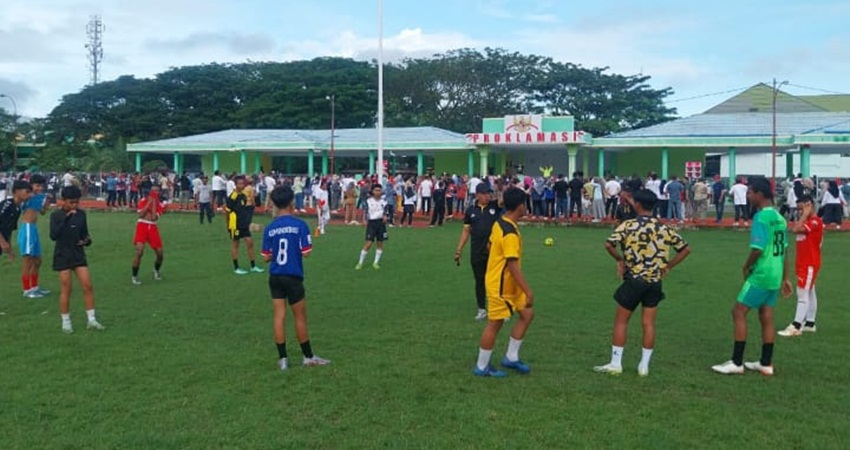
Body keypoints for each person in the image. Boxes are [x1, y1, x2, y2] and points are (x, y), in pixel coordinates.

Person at [594, 189, 691, 376]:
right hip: (655, 281)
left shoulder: (628, 225)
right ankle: (644, 366)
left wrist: (620, 260)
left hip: (635, 279)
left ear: (637, 204)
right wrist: (668, 265)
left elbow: (608, 244)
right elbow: (686, 249)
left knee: (621, 321)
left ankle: (616, 363)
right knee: (648, 324)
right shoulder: (663, 227)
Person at [712, 177, 793, 376]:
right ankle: (766, 363)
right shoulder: (779, 218)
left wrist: (746, 266)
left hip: (762, 273)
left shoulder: (761, 218)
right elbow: (784, 251)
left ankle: (737, 362)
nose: (748, 196)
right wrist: (785, 278)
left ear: (759, 194)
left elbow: (757, 249)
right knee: (766, 315)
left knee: (738, 312)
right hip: (775, 274)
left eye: (750, 192)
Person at [261, 186, 330, 371]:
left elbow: (266, 256)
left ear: (274, 203)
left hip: (275, 276)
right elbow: (306, 253)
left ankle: (283, 359)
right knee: (299, 317)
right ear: (292, 202)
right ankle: (308, 356)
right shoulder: (300, 225)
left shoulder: (270, 228)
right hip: (293, 276)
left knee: (279, 316)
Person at [473, 188, 534, 377]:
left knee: (527, 314)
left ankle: (511, 357)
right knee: (495, 324)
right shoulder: (509, 233)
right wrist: (528, 291)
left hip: (508, 283)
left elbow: (491, 245)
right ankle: (482, 367)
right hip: (501, 285)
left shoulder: (501, 222)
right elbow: (512, 264)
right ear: (521, 206)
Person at [50, 185, 105, 333]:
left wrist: (86, 241)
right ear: (63, 201)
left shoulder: (81, 214)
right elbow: (54, 235)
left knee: (87, 285)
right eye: (71, 202)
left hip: (78, 254)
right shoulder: (56, 216)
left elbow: (85, 235)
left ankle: (91, 319)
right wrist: (66, 220)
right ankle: (66, 322)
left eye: (76, 202)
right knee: (66, 288)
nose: (74, 205)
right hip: (62, 255)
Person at [777, 194, 823, 337]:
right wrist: (804, 215)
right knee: (810, 291)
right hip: (804, 261)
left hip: (809, 263)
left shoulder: (814, 222)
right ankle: (810, 323)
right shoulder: (808, 221)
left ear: (809, 205)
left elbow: (795, 230)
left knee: (802, 293)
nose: (799, 211)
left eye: (801, 208)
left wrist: (805, 215)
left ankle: (796, 325)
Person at [455, 183, 501, 321]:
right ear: (478, 195)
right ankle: (482, 309)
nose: (488, 196)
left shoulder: (494, 206)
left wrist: (503, 187)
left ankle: (498, 309)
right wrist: (459, 250)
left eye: (489, 193)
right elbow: (466, 231)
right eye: (486, 193)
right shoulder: (470, 211)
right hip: (477, 251)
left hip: (494, 251)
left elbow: (503, 201)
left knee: (496, 281)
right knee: (480, 281)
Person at [19, 174, 51, 298]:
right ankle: (27, 289)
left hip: (33, 229)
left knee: (38, 260)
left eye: (41, 186)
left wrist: (47, 202)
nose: (40, 188)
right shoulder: (26, 196)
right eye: (37, 186)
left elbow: (42, 212)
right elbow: (20, 199)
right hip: (27, 228)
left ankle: (35, 287)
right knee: (28, 260)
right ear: (31, 185)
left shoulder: (39, 197)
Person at [226, 175, 264, 275]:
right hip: (235, 225)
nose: (241, 185)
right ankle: (236, 267)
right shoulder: (232, 197)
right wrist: (228, 225)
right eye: (239, 184)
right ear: (235, 184)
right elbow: (227, 212)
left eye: (243, 183)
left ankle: (253, 266)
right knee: (236, 244)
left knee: (250, 243)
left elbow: (244, 209)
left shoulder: (243, 195)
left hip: (244, 224)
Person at [132, 185, 166, 285]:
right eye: (153, 191)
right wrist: (149, 202)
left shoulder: (161, 205)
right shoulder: (143, 200)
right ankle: (134, 276)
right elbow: (141, 214)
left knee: (160, 254)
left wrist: (154, 204)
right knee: (139, 251)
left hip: (152, 227)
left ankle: (156, 270)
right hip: (142, 225)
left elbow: (153, 218)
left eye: (156, 191)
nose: (154, 193)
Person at [355, 184, 388, 270]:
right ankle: (360, 263)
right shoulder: (368, 201)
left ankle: (376, 263)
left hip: (381, 224)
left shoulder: (384, 202)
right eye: (376, 190)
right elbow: (365, 211)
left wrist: (385, 216)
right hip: (372, 223)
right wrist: (364, 220)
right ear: (372, 191)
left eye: (379, 190)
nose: (378, 192)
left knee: (380, 243)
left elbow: (386, 212)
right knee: (368, 244)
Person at [0, 180, 32, 262]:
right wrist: (2, 242)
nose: (30, 195)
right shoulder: (7, 204)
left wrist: (10, 250)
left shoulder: (17, 209)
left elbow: (9, 230)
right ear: (17, 191)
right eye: (27, 192)